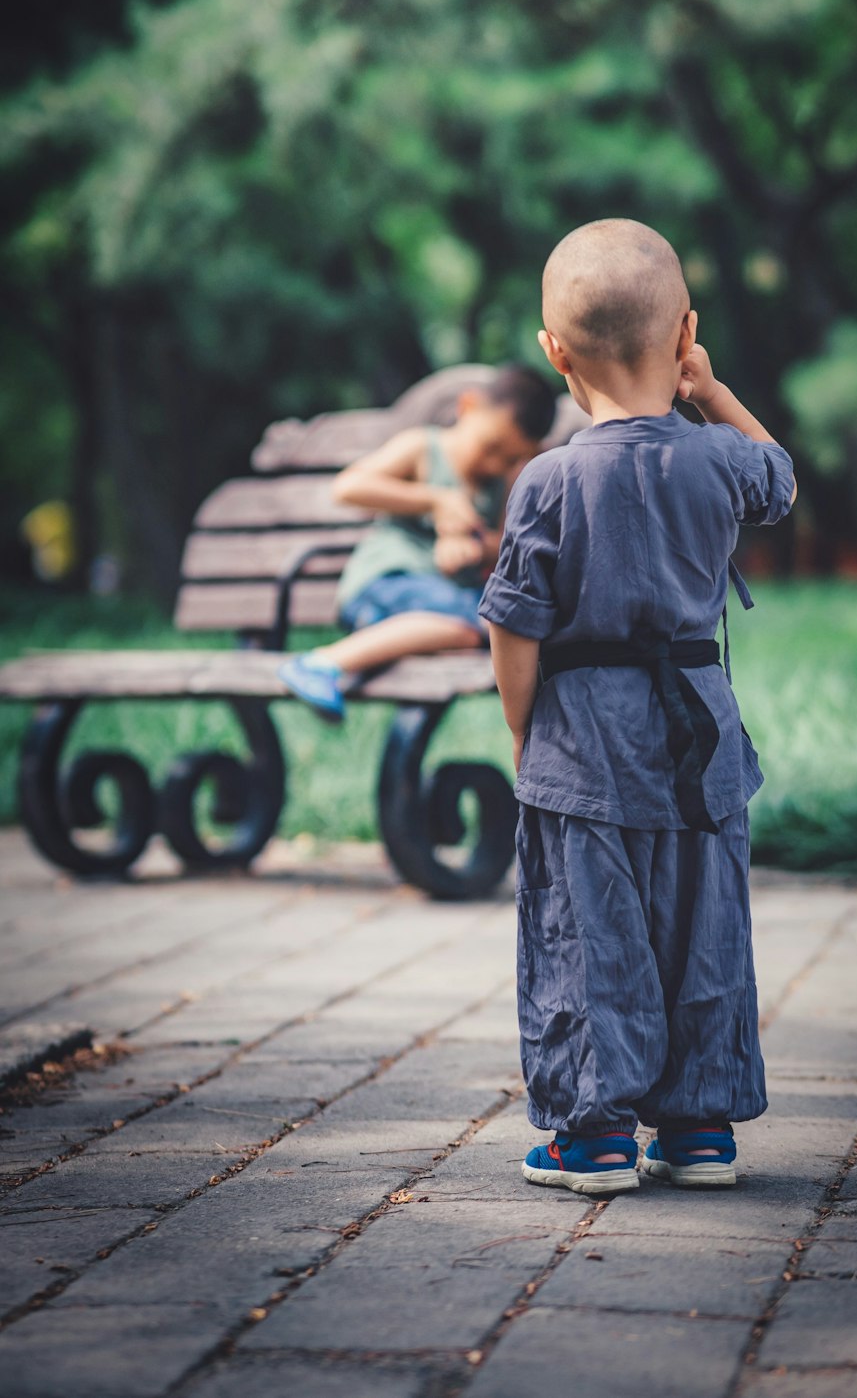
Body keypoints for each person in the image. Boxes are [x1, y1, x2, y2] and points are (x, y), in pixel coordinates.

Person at [479, 219, 796, 1197]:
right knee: (702, 923)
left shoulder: (548, 477)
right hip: (698, 736)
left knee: (589, 933)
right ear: (685, 330)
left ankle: (596, 1134)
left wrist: (525, 732)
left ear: (555, 353)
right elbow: (779, 478)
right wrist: (711, 391)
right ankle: (698, 1127)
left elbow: (514, 627)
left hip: (583, 737)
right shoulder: (716, 461)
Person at [279, 366, 557, 719]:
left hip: (437, 605)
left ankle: (332, 664)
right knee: (483, 622)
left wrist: (475, 549)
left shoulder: (500, 481)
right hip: (383, 584)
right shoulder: (424, 449)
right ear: (468, 407)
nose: (494, 464)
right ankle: (321, 664)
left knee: (480, 625)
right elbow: (348, 487)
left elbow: (500, 543)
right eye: (492, 447)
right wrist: (434, 500)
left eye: (510, 459)